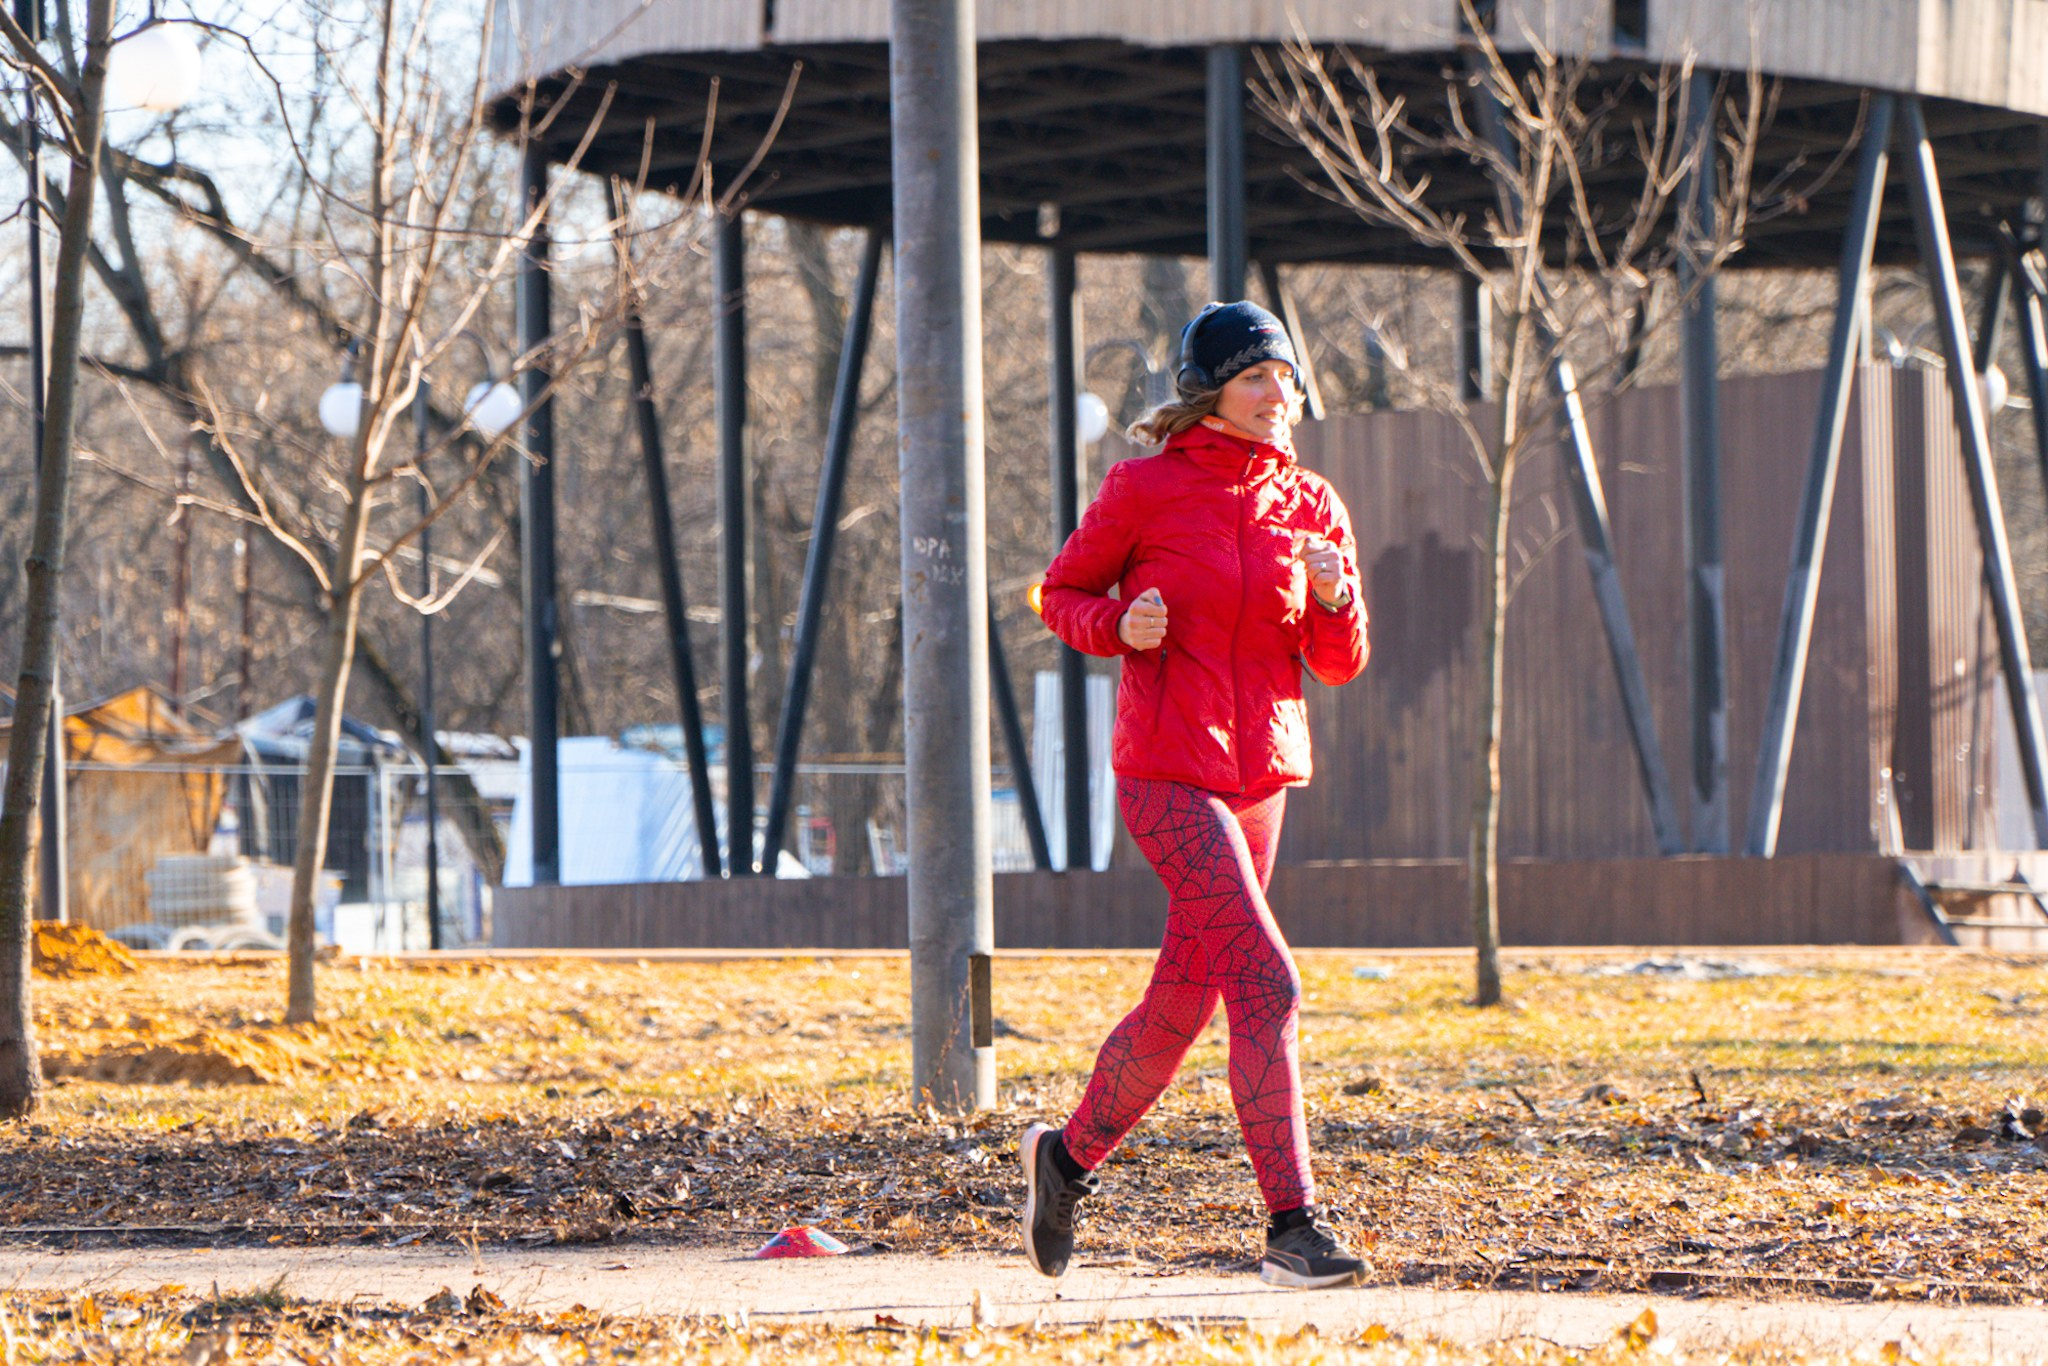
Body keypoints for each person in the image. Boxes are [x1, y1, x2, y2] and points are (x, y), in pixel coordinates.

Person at [1020, 300, 1371, 1289]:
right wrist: (1116, 627)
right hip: (1167, 773)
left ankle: (1066, 1159)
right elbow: (1059, 594)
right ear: (1209, 391)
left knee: (1179, 1007)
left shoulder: (1310, 503)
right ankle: (1291, 1228)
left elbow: (1336, 664)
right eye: (1259, 377)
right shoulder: (1142, 489)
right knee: (1268, 982)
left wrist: (1336, 598)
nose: (1279, 394)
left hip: (1260, 778)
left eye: (1286, 378)